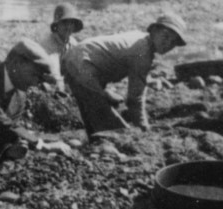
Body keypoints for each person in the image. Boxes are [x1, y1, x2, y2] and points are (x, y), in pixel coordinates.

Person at [60, 12, 189, 137]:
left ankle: (95, 143)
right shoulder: (142, 52)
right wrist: (144, 128)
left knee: (93, 113)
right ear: (154, 30)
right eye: (165, 37)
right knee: (114, 129)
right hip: (83, 63)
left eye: (173, 43)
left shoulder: (140, 39)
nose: (167, 44)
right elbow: (134, 100)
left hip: (75, 60)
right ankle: (108, 146)